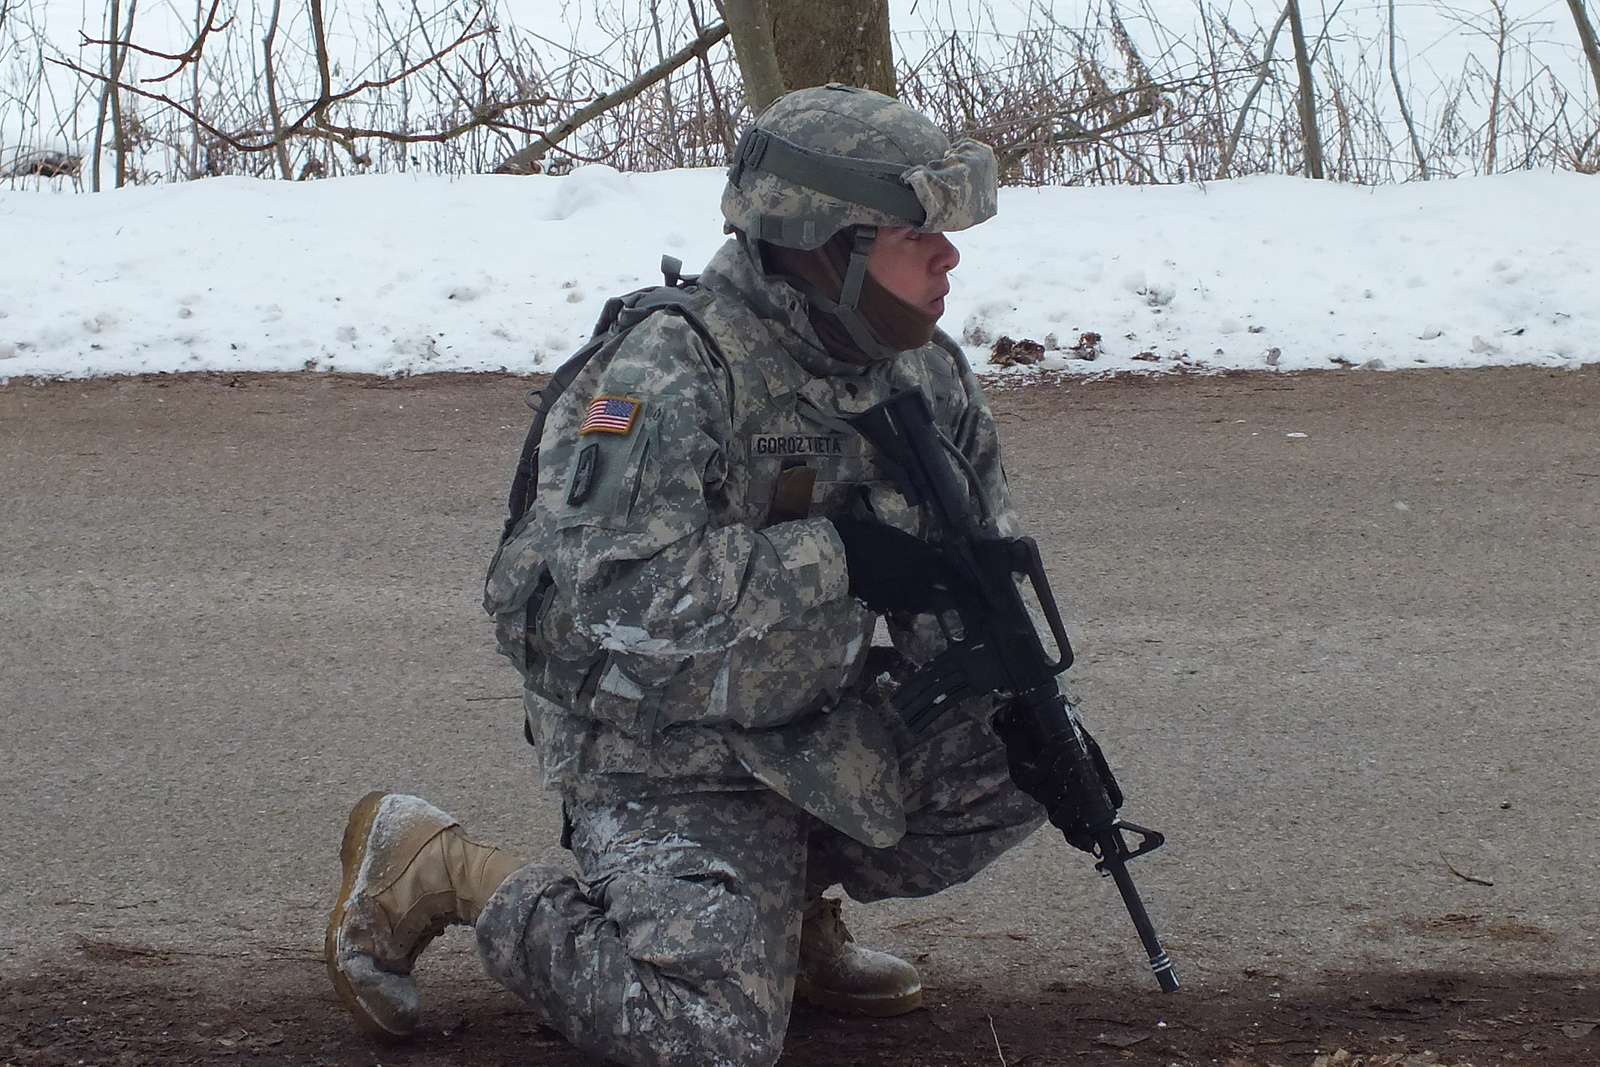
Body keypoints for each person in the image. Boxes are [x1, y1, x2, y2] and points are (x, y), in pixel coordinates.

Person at [326, 84, 1056, 1067]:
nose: (948, 257)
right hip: (656, 742)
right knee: (707, 1039)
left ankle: (778, 915)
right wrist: (837, 555)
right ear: (821, 246)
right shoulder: (670, 367)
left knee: (1018, 764)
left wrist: (997, 683)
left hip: (804, 716)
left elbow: (971, 573)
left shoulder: (923, 374)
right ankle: (442, 867)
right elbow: (621, 592)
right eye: (911, 234)